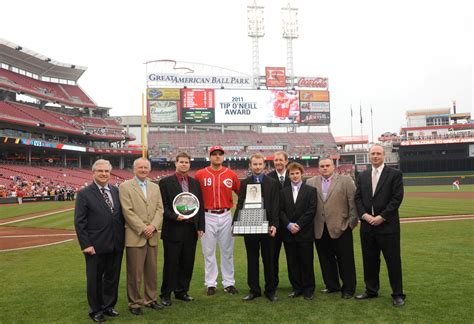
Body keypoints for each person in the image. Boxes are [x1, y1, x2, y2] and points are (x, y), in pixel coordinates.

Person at [354, 144, 406, 307]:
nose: (375, 156)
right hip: (367, 226)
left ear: (384, 156)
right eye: (373, 153)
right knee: (369, 260)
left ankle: (398, 294)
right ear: (369, 156)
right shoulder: (362, 175)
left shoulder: (394, 174)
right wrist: (364, 215)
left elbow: (396, 199)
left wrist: (382, 217)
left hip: (387, 227)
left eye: (378, 153)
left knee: (393, 261)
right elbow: (358, 198)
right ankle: (371, 290)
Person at [74, 159, 125, 322]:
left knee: (112, 277)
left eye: (106, 171)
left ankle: (108, 306)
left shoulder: (116, 191)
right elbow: (79, 222)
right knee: (95, 279)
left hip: (116, 243)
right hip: (95, 245)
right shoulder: (85, 193)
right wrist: (86, 244)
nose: (104, 174)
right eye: (100, 171)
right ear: (93, 173)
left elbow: (119, 217)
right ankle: (95, 310)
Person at [306, 157, 358, 299]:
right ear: (318, 168)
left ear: (333, 167)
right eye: (322, 166)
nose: (325, 168)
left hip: (341, 227)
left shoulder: (345, 181)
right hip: (320, 228)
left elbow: (353, 203)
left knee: (345, 260)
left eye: (327, 165)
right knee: (325, 259)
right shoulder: (311, 182)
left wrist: (351, 224)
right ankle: (332, 285)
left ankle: (348, 288)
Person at [158, 152, 205, 306]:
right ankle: (166, 294)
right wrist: (174, 216)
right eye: (181, 162)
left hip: (191, 229)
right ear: (175, 163)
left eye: (186, 162)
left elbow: (200, 206)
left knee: (187, 262)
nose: (184, 164)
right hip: (173, 228)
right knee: (171, 263)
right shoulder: (165, 182)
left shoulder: (195, 183)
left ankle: (182, 291)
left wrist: (201, 227)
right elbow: (163, 206)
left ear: (189, 164)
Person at [119, 157, 164, 315]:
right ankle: (134, 303)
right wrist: (143, 228)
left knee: (151, 271)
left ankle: (150, 299)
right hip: (135, 235)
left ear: (149, 169)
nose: (143, 170)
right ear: (134, 169)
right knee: (135, 273)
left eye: (146, 167)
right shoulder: (125, 186)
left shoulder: (155, 187)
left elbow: (160, 209)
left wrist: (153, 226)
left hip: (152, 234)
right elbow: (127, 211)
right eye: (140, 167)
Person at [194, 145, 240, 296]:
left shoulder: (231, 174)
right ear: (210, 156)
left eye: (220, 154)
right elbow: (194, 197)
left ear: (223, 157)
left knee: (227, 252)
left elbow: (242, 194)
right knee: (209, 252)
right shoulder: (200, 174)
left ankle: (229, 283)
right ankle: (210, 284)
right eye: (214, 154)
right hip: (207, 216)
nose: (217, 156)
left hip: (226, 214)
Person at [234, 153, 279, 302]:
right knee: (252, 260)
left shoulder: (272, 183)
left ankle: (270, 290)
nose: (258, 167)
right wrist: (235, 224)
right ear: (250, 166)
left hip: (267, 227)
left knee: (269, 260)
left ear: (264, 165)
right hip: (250, 226)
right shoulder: (245, 183)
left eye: (260, 164)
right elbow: (240, 204)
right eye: (255, 164)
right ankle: (254, 290)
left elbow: (275, 205)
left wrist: (274, 224)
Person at [279, 162, 317, 300]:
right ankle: (297, 288)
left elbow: (311, 210)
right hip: (289, 234)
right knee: (292, 262)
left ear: (302, 173)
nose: (294, 176)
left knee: (306, 262)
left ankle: (308, 289)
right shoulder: (283, 192)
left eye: (297, 173)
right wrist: (289, 225)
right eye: (292, 174)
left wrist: (298, 225)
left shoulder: (310, 190)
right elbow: (280, 211)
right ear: (288, 175)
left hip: (304, 233)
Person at [266, 151, 291, 289]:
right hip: (273, 224)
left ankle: (296, 283)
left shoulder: (293, 175)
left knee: (292, 256)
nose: (278, 162)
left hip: (289, 224)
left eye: (281, 160)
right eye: (276, 160)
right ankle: (272, 283)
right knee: (272, 257)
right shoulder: (268, 177)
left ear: (286, 161)